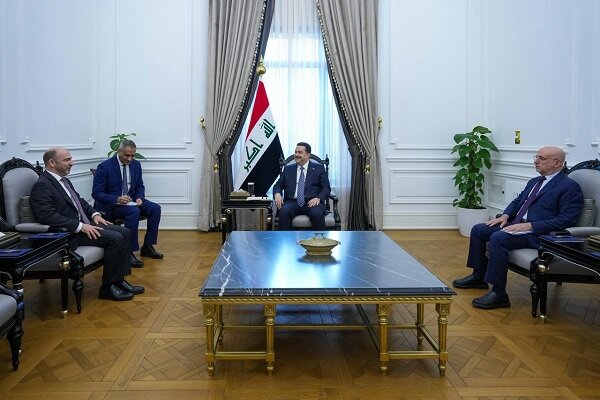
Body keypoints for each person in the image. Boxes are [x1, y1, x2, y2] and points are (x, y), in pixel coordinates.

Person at [453, 146, 583, 309]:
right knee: (479, 229)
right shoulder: (535, 181)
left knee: (499, 238)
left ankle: (499, 293)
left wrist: (530, 225)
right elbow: (518, 201)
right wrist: (505, 216)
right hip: (517, 225)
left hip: (539, 234)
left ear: (557, 163)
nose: (536, 161)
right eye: (536, 157)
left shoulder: (569, 187)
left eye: (541, 158)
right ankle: (478, 276)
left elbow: (567, 219)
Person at [30, 147, 144, 301]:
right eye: (67, 160)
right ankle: (108, 288)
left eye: (70, 159)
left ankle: (119, 281)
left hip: (84, 224)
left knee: (125, 232)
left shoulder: (63, 180)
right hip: (69, 233)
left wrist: (94, 214)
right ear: (51, 163)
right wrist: (81, 226)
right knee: (116, 238)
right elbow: (47, 216)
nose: (72, 163)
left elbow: (80, 201)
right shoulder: (43, 185)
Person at [92, 140, 163, 266]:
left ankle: (147, 246)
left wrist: (140, 197)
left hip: (132, 201)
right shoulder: (104, 167)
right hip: (112, 205)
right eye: (127, 155)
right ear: (118, 151)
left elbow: (140, 185)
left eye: (132, 155)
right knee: (133, 211)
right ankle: (128, 252)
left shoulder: (136, 165)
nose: (130, 159)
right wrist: (116, 199)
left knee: (155, 208)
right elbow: (96, 193)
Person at [273, 142, 331, 230]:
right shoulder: (288, 169)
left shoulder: (318, 168)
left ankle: (319, 238)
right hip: (292, 202)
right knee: (284, 211)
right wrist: (277, 194)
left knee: (317, 213)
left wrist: (318, 198)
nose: (296, 155)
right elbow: (278, 185)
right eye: (295, 152)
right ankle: (285, 238)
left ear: (308, 155)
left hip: (312, 202)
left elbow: (326, 188)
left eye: (300, 152)